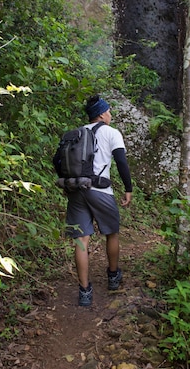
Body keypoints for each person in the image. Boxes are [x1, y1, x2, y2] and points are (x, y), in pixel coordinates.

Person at [53, 95, 133, 306]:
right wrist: (128, 188)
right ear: (101, 114)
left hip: (76, 189)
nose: (110, 114)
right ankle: (113, 276)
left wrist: (69, 182)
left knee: (81, 239)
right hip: (100, 191)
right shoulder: (111, 133)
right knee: (112, 232)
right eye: (108, 111)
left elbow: (57, 159)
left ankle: (84, 291)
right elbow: (121, 161)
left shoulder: (76, 133)